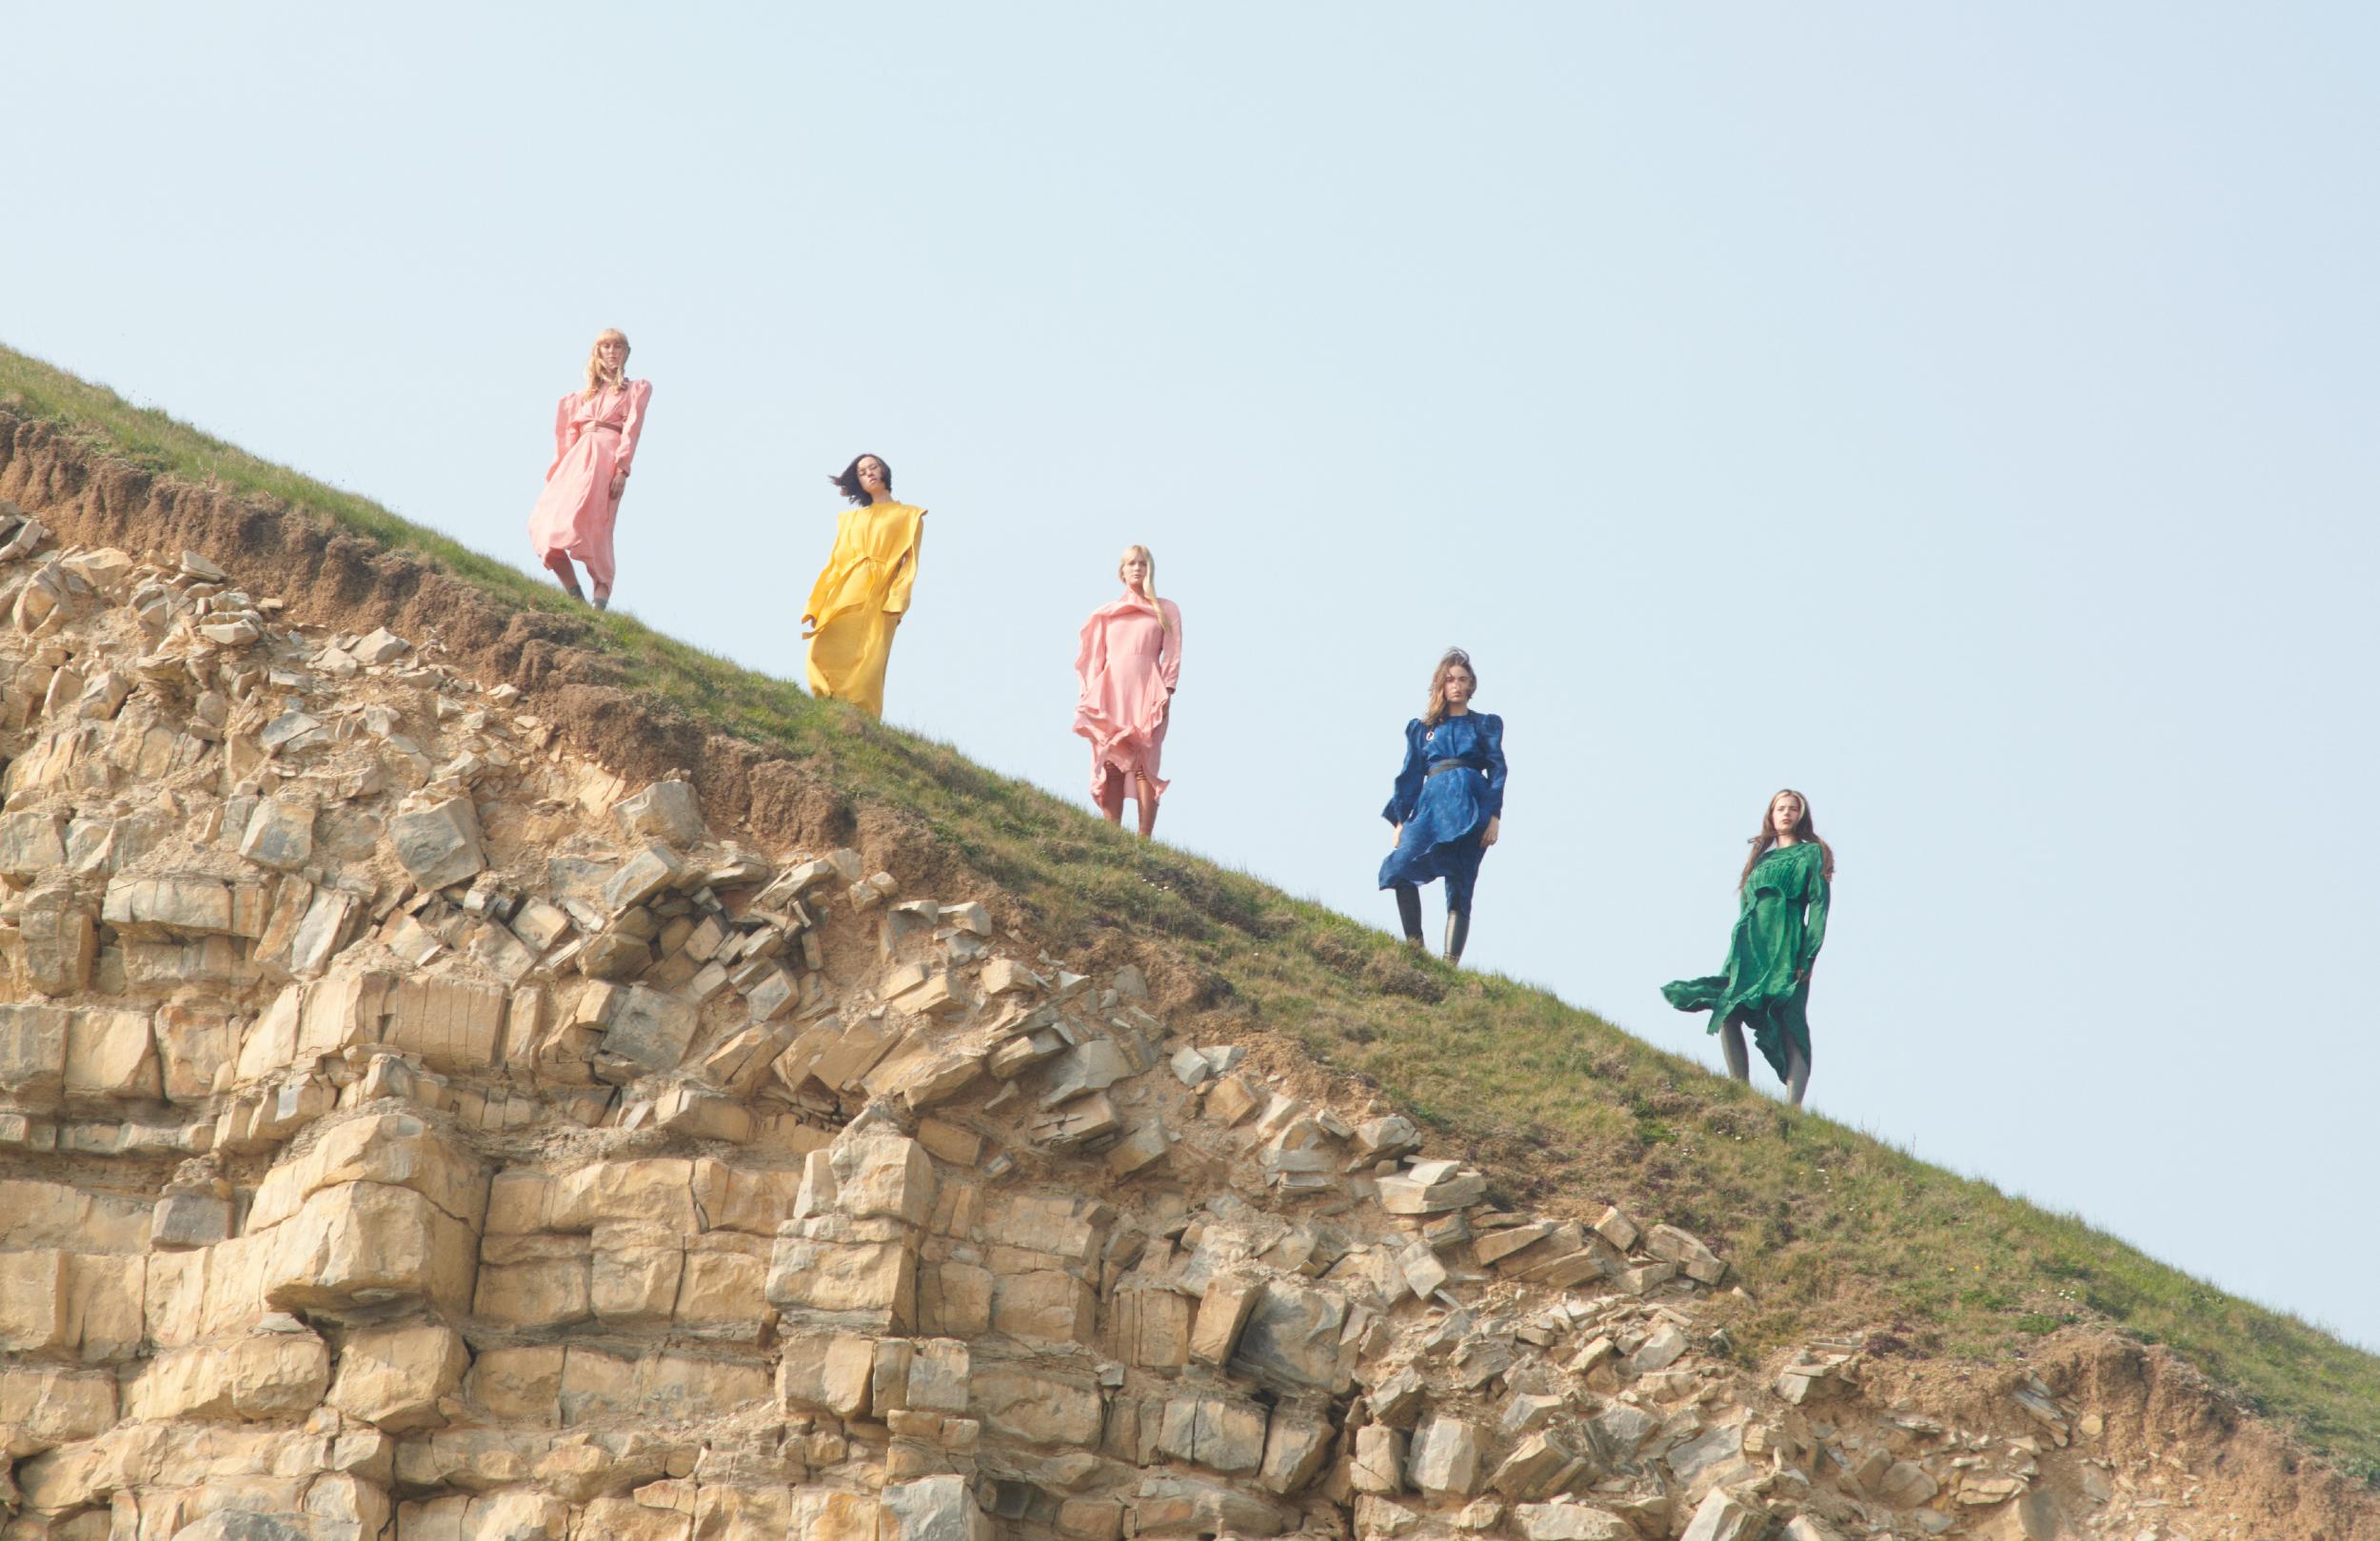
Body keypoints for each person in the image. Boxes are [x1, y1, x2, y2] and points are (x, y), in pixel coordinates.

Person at [1662, 788, 1835, 1107]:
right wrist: (1734, 956)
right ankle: (1738, 1089)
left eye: (1793, 808)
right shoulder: (1761, 859)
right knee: (1728, 1007)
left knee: (1789, 1018)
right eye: (1780, 808)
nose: (1786, 813)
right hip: (1751, 945)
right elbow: (1745, 909)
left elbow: (1820, 907)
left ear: (1801, 815)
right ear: (1770, 815)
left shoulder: (1812, 853)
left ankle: (1792, 1107)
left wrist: (1808, 957)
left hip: (1788, 944)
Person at [1378, 648, 1505, 965]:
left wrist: (1494, 816)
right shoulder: (1423, 730)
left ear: (1471, 685)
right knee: (1400, 865)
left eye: (1463, 679)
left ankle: (1449, 963)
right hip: (1431, 806)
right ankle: (1415, 947)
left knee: (1461, 880)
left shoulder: (1484, 725)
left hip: (1471, 808)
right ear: (1441, 685)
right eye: (1450, 680)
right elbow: (1409, 776)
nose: (1457, 685)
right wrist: (1399, 821)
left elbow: (1498, 770)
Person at [527, 327, 651, 610]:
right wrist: (556, 473)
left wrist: (622, 469)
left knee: (596, 525)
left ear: (625, 354)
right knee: (544, 524)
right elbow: (565, 439)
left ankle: (601, 595)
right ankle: (575, 596)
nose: (611, 352)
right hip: (576, 460)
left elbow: (632, 431)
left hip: (606, 457)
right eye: (605, 347)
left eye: (617, 347)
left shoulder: (634, 390)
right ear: (596, 353)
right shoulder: (578, 399)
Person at [803, 454, 926, 718]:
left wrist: (898, 600)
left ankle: (860, 713)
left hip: (881, 591)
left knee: (871, 652)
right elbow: (835, 563)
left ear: (884, 471)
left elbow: (909, 564)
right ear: (858, 481)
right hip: (847, 585)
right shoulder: (850, 520)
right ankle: (827, 698)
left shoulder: (910, 515)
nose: (869, 473)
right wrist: (816, 604)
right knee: (824, 643)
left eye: (873, 467)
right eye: (862, 472)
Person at [1073, 544, 1183, 838]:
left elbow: (1173, 653)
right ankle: (1112, 835)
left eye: (1143, 563)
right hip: (1112, 691)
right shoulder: (1106, 614)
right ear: (1121, 571)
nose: (1137, 568)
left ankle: (1144, 837)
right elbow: (1093, 659)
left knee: (1144, 763)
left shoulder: (1166, 609)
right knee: (1112, 761)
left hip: (1149, 689)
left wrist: (1169, 690)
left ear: (1150, 570)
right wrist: (1089, 697)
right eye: (1131, 563)